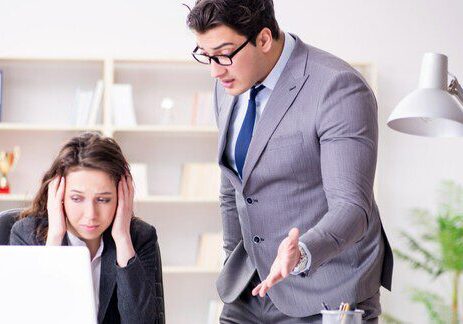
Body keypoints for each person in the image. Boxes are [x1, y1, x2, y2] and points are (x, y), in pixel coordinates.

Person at [186, 1, 393, 323]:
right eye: (205, 55)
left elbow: (352, 207)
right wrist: (232, 259)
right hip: (250, 287)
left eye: (224, 54)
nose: (215, 70)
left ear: (264, 39)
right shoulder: (227, 85)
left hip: (328, 288)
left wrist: (303, 252)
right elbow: (233, 186)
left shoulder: (337, 86)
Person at [9, 132, 163, 324]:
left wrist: (122, 238)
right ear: (59, 194)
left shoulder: (140, 237)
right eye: (77, 198)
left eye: (103, 199)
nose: (90, 214)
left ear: (122, 196)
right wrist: (54, 242)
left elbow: (141, 321)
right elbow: (31, 318)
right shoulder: (26, 235)